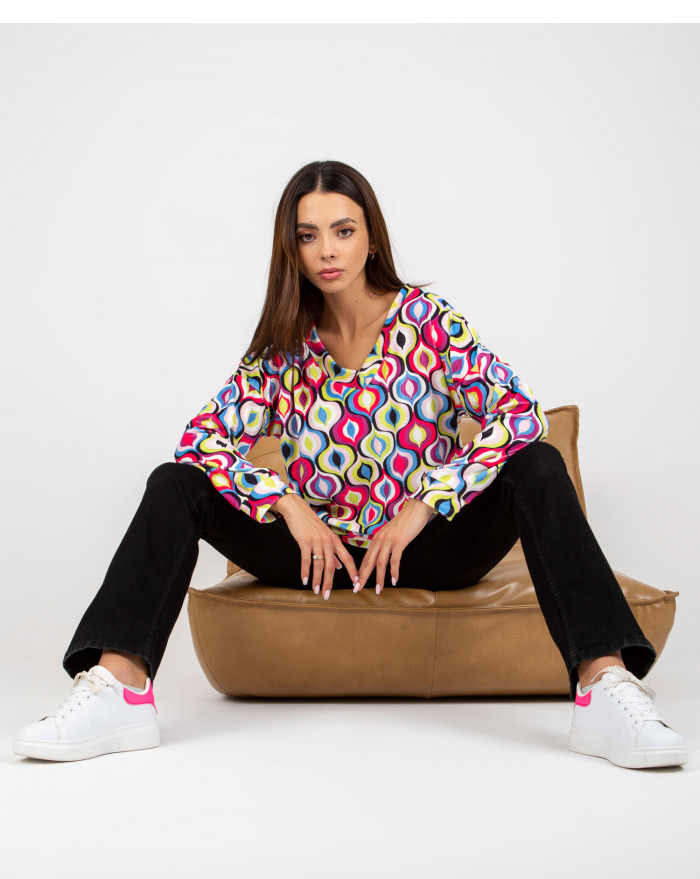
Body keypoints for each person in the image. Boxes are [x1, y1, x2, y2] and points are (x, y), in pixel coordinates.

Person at [12, 160, 687, 769]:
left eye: (343, 230)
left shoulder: (429, 322)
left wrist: (424, 504)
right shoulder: (283, 345)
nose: (327, 251)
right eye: (308, 236)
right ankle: (120, 689)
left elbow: (518, 414)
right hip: (320, 557)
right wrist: (289, 506)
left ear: (372, 239)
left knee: (536, 462)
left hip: (430, 549)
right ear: (292, 248)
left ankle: (603, 687)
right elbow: (201, 440)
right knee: (175, 482)